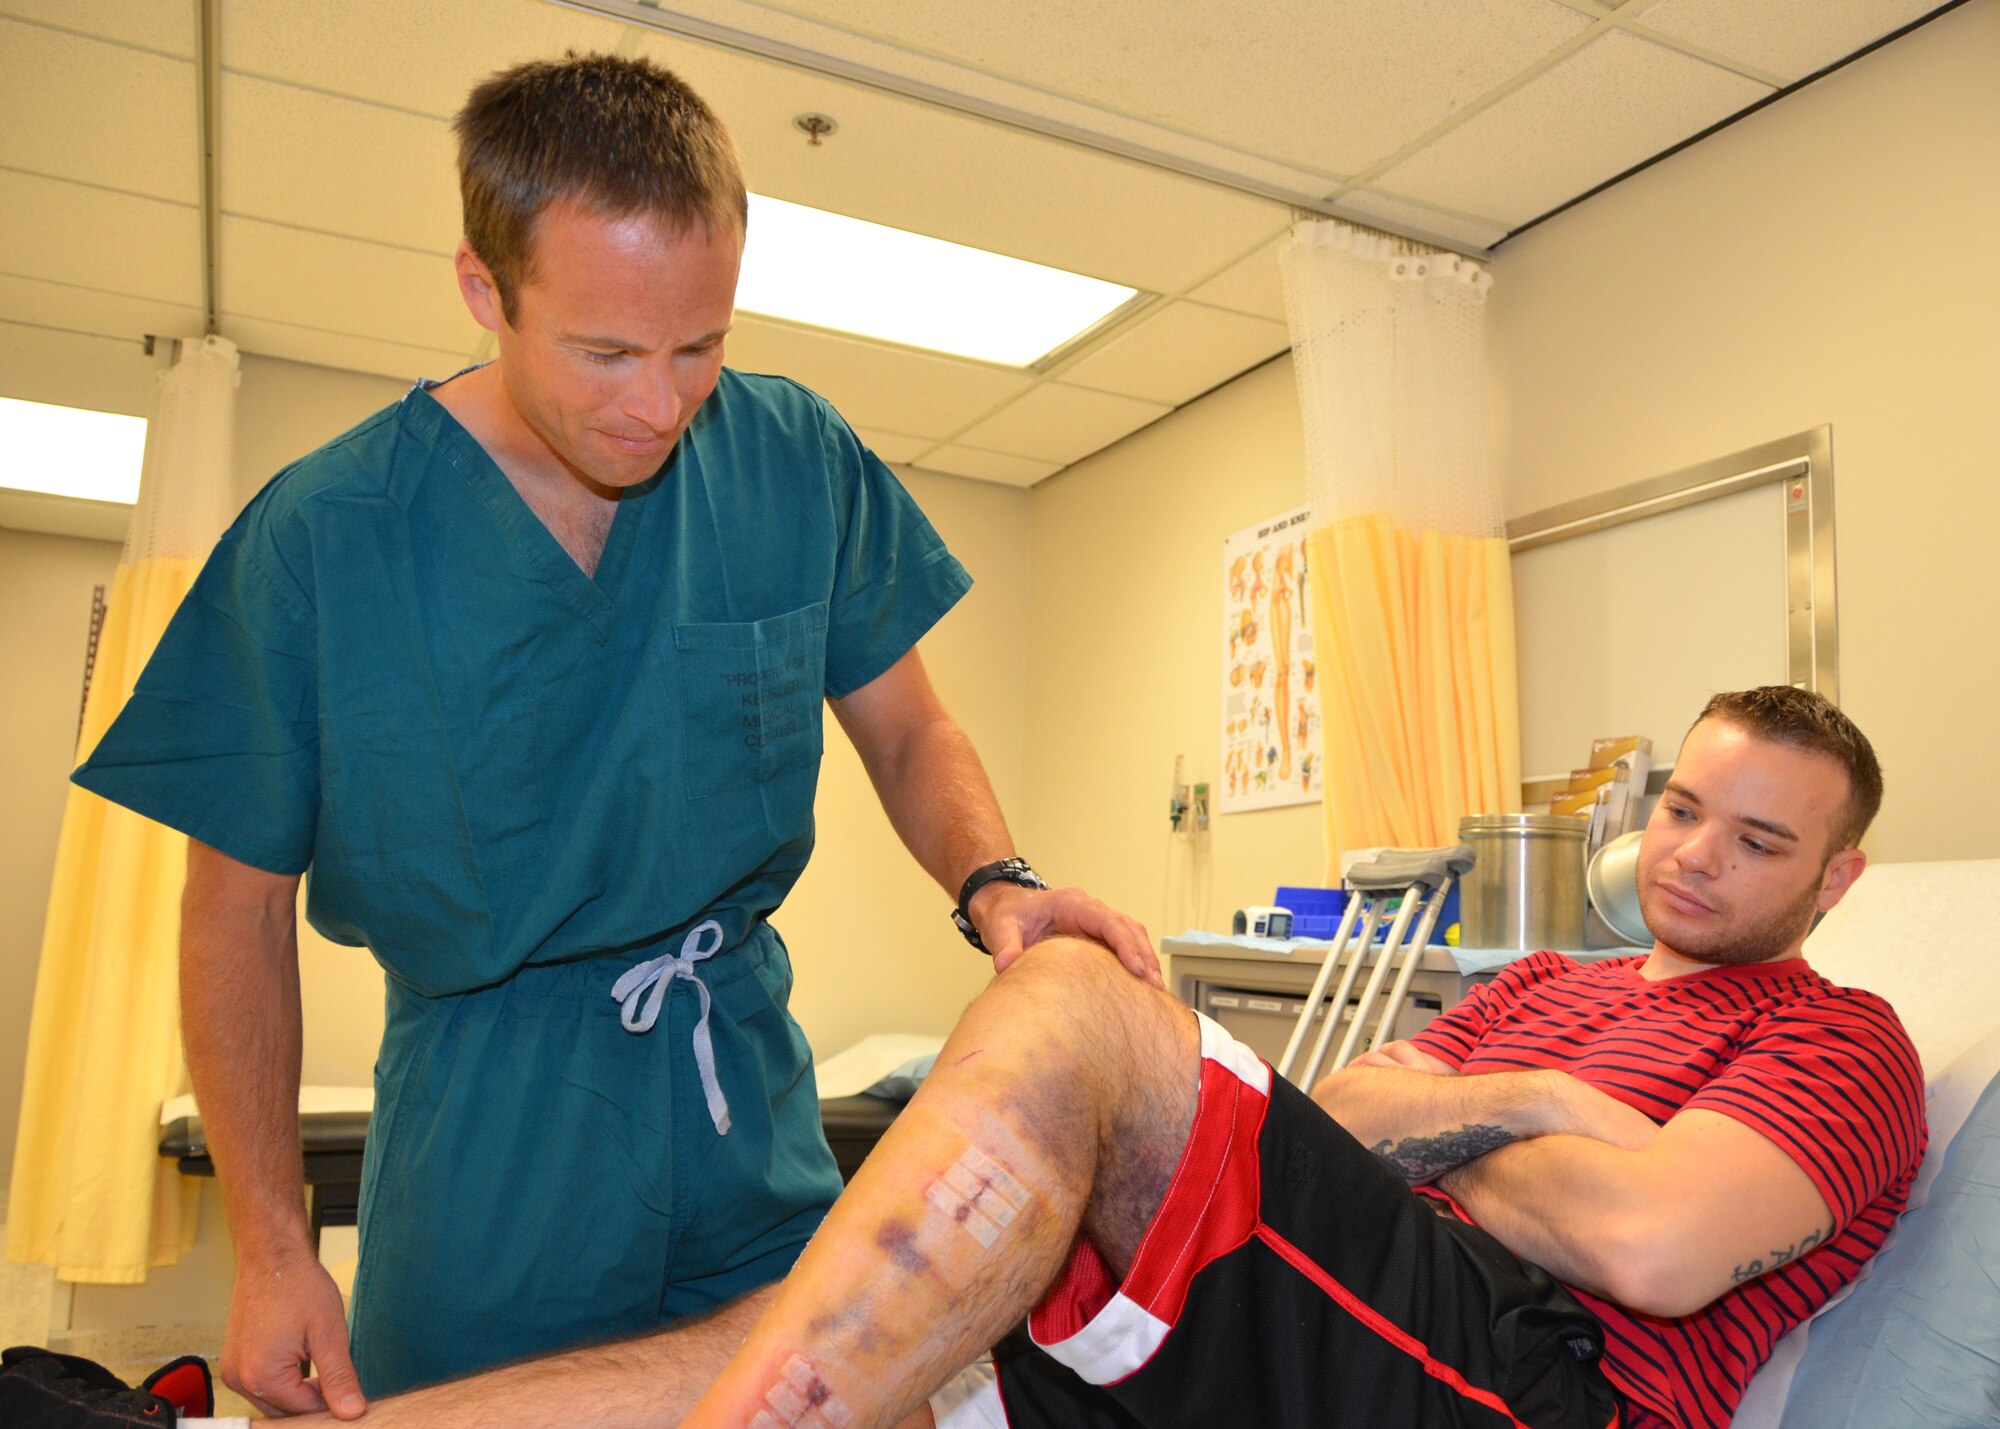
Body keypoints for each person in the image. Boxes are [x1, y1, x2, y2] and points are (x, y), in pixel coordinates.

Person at [70, 52, 1155, 1420]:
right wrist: (275, 1245)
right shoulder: (323, 539)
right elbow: (232, 912)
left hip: (747, 1124)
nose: (660, 402)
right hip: (485, 1170)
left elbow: (910, 727)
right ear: (485, 290)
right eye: (605, 352)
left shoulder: (790, 457)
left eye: (700, 346)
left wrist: (997, 883)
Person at [297, 685, 1924, 1429]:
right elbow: (1349, 1112)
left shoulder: (1837, 1041)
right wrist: (1548, 1102)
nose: (1696, 856)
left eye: (1758, 838)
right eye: (1683, 809)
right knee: (857, 1323)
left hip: (1530, 1382)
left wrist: (1446, 1133)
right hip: (1336, 1315)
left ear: (1837, 879)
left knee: (1078, 1001)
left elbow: (1647, 1248)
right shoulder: (1551, 987)